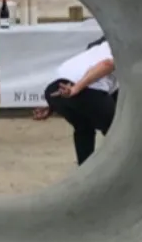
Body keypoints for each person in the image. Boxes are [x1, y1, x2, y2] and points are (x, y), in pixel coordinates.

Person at [31, 37, 118, 165]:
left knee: (84, 127)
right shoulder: (118, 48)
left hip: (54, 89)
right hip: (82, 90)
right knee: (118, 128)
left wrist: (53, 106)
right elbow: (107, 65)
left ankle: (85, 170)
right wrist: (75, 89)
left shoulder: (94, 51)